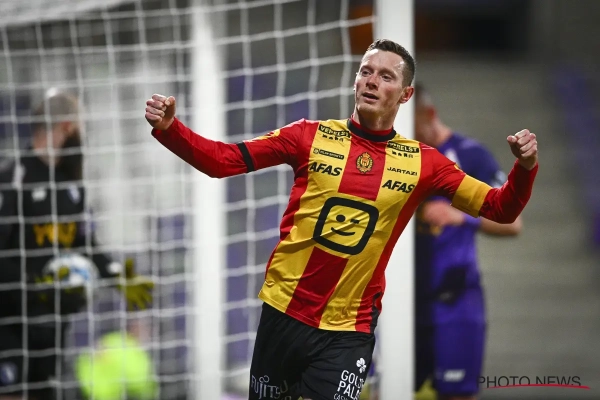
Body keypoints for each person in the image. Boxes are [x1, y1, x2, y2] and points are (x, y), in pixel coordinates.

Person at [145, 39, 539, 400]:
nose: (372, 81)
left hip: (349, 330)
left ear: (405, 95)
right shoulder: (307, 136)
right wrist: (170, 129)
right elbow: (222, 161)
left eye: (386, 76)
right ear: (355, 81)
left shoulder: (425, 163)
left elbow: (501, 209)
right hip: (283, 313)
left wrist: (524, 168)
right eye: (366, 71)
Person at [0, 89, 154, 400]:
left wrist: (121, 277)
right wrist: (38, 289)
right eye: (81, 127)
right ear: (67, 127)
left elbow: (86, 244)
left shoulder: (71, 186)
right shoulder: (13, 179)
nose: (82, 136)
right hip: (11, 322)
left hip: (53, 323)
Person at [413, 83, 523, 400]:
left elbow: (513, 223)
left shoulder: (471, 155)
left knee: (457, 394)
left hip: (455, 303)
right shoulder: (402, 159)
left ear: (429, 114)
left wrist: (461, 215)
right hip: (404, 302)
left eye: (410, 125)